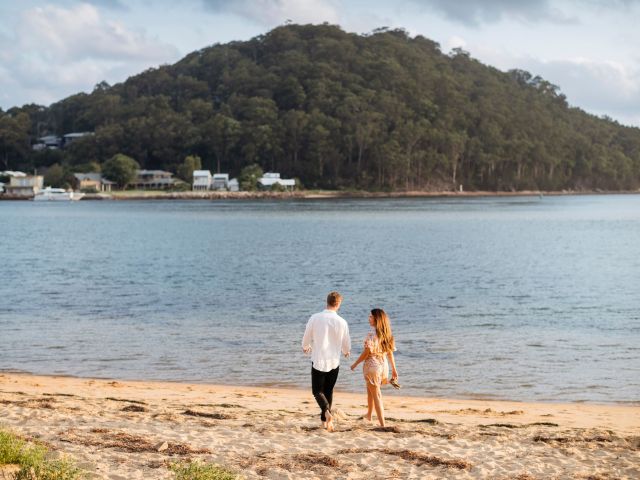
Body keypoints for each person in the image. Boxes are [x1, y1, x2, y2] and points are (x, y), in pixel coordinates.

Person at [302, 291, 351, 432]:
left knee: (317, 391)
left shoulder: (315, 318)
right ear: (338, 304)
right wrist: (346, 350)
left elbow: (307, 335)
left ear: (327, 301)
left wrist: (305, 346)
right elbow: (346, 341)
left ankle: (326, 414)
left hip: (318, 359)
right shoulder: (342, 322)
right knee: (328, 391)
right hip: (334, 361)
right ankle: (325, 422)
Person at [350, 308, 398, 427]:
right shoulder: (388, 335)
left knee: (376, 394)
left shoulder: (371, 335)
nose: (369, 318)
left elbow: (367, 353)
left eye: (370, 317)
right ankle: (369, 415)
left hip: (372, 366)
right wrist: (394, 370)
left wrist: (355, 363)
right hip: (383, 365)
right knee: (370, 391)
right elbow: (390, 353)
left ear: (376, 319)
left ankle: (382, 424)